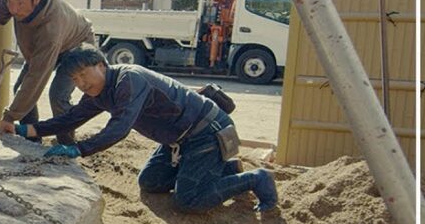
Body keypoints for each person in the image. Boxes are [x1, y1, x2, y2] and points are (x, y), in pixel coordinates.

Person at [15, 46, 278, 214]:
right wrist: (27, 130)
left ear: (101, 66)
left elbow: (119, 127)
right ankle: (224, 170)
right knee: (150, 182)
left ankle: (256, 179)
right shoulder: (99, 92)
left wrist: (78, 149)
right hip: (177, 140)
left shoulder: (129, 80)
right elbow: (71, 118)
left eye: (84, 74)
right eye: (75, 80)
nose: (80, 83)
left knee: (188, 200)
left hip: (205, 132)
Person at [0, 0, 95, 144]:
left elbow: (37, 77)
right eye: (10, 2)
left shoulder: (51, 27)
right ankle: (33, 141)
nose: (13, 9)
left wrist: (9, 117)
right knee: (20, 88)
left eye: (20, 3)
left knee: (57, 95)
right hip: (45, 48)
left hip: (76, 44)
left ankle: (67, 147)